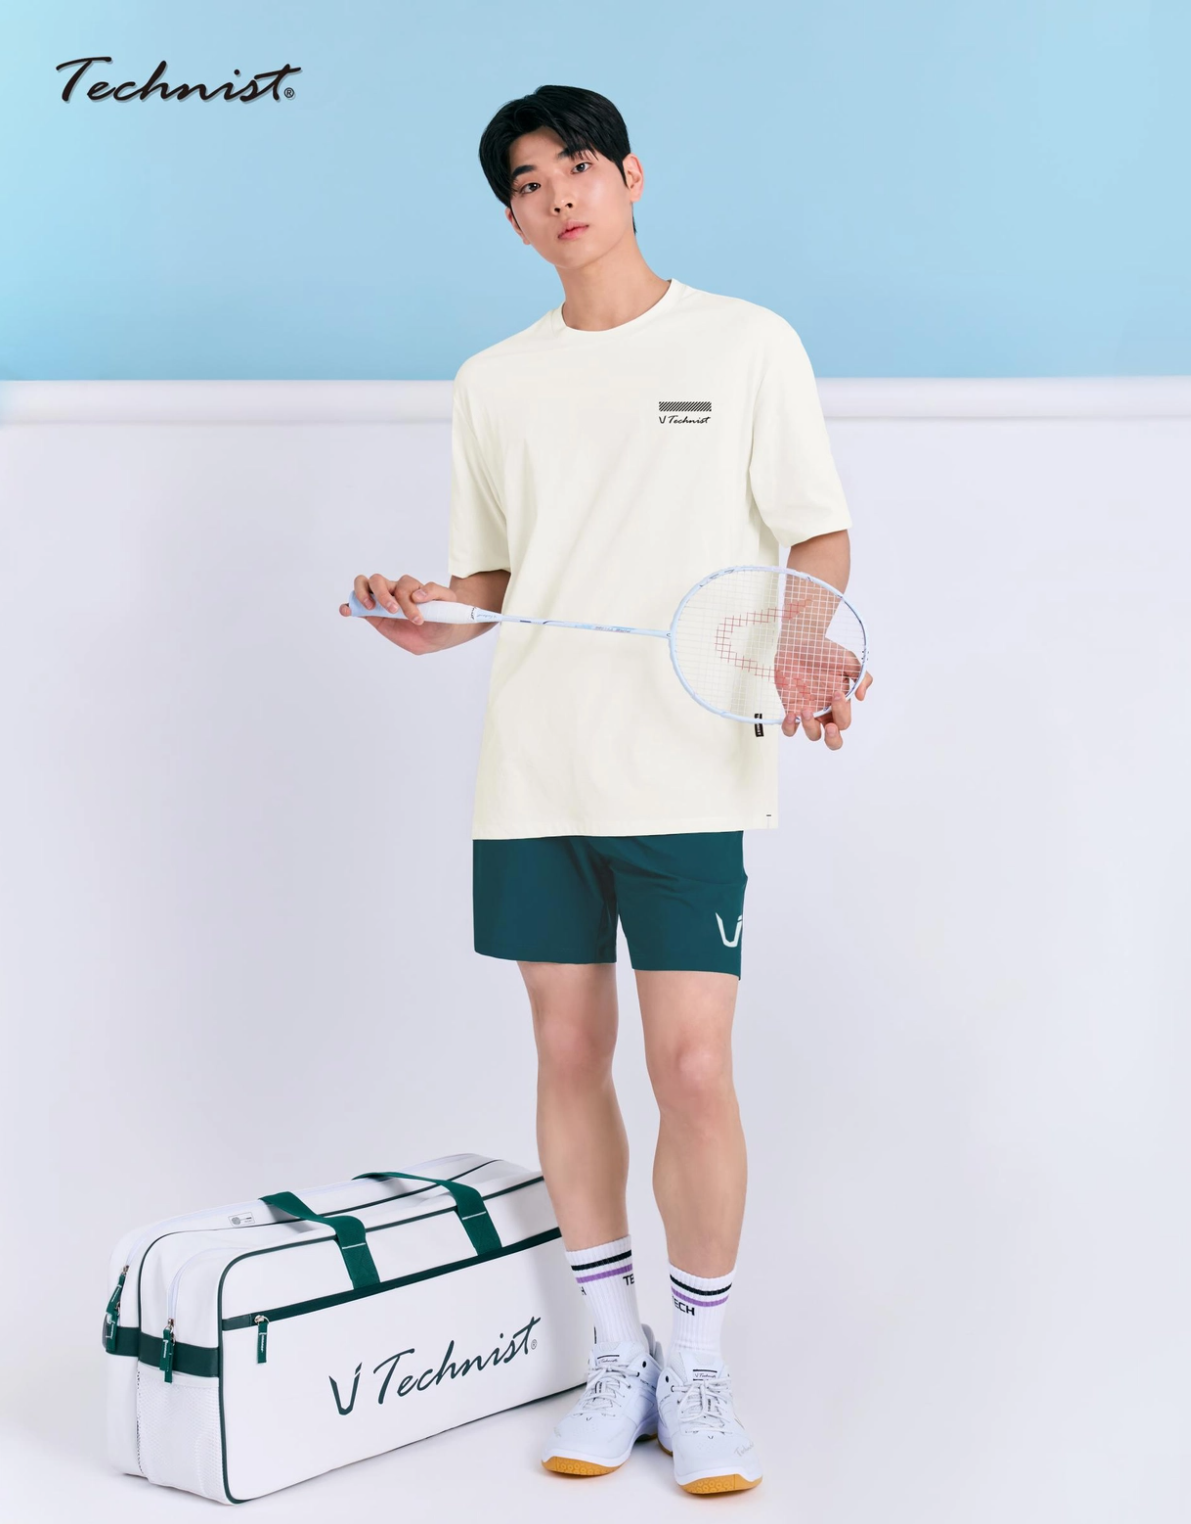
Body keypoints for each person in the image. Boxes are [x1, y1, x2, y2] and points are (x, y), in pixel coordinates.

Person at [340, 84, 872, 1496]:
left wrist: (806, 643)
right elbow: (489, 584)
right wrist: (420, 619)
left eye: (575, 165)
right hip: (535, 769)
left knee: (692, 1067)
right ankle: (616, 1351)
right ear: (513, 221)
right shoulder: (493, 382)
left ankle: (698, 1364)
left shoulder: (746, 344)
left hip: (690, 764)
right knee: (566, 1052)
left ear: (630, 175)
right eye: (526, 185)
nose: (557, 195)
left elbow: (816, 533)